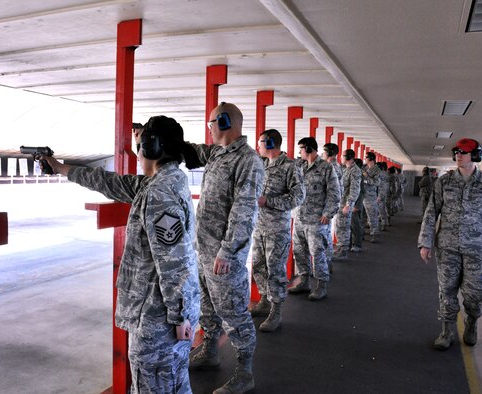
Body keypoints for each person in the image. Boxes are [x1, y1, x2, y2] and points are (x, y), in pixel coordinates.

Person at [41, 116, 200, 393]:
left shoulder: (159, 193)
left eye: (140, 146)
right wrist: (60, 168)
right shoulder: (163, 183)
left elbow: (175, 263)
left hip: (159, 320)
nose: (138, 155)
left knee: (154, 385)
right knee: (175, 382)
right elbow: (108, 182)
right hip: (167, 316)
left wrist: (179, 316)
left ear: (151, 148)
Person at [187, 102, 264, 394]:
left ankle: (245, 372)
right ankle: (210, 351)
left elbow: (244, 211)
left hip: (223, 256)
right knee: (207, 306)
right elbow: (190, 151)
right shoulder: (218, 153)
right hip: (204, 250)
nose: (208, 127)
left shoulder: (248, 160)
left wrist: (228, 252)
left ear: (224, 121)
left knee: (233, 312)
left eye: (211, 122)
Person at [418, 138, 482, 351]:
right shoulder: (444, 182)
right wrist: (425, 242)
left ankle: (472, 322)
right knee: (446, 291)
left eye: (464, 152)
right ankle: (447, 330)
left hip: (476, 249)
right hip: (447, 247)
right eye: (457, 151)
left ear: (476, 156)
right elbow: (431, 212)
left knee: (474, 295)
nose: (459, 155)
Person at [249, 129, 304, 332]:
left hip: (277, 228)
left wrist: (268, 201)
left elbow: (298, 197)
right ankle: (264, 300)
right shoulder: (262, 165)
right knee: (259, 266)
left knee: (276, 269)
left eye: (261, 142)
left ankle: (276, 310)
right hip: (259, 227)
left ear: (271, 143)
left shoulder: (290, 166)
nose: (258, 146)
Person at [288, 137, 341, 300]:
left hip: (317, 220)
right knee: (299, 252)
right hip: (299, 218)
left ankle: (321, 285)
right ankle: (304, 281)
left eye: (301, 149)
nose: (299, 152)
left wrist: (328, 213)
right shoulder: (299, 166)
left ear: (309, 149)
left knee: (317, 253)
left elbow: (334, 193)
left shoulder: (326, 168)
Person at [334, 149, 361, 259]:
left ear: (348, 157)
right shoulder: (346, 169)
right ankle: (341, 247)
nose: (341, 157)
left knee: (344, 227)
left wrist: (349, 204)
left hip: (346, 204)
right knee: (339, 226)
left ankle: (343, 250)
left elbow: (355, 189)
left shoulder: (355, 171)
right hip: (341, 203)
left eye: (343, 156)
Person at [321, 143, 343, 271]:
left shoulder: (331, 167)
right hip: (328, 206)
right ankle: (327, 263)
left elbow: (333, 191)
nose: (322, 154)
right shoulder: (335, 166)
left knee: (325, 237)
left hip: (326, 207)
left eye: (324, 152)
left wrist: (328, 211)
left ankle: (327, 264)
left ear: (329, 152)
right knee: (326, 235)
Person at [362, 152, 381, 243]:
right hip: (362, 195)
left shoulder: (377, 170)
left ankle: (374, 233)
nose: (365, 159)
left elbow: (377, 183)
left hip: (370, 196)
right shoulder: (365, 168)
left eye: (366, 157)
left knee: (372, 215)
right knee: (363, 216)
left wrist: (366, 177)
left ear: (370, 159)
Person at [350, 158, 365, 253]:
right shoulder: (356, 174)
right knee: (351, 225)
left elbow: (361, 192)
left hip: (356, 204)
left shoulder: (359, 175)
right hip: (353, 203)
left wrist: (357, 206)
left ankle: (357, 244)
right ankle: (352, 243)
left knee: (356, 225)